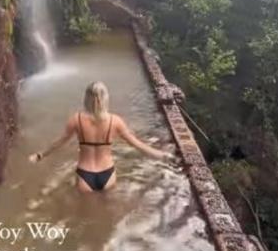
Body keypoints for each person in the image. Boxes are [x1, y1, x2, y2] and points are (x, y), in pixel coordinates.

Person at [29, 81, 176, 193]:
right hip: (107, 174)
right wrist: (162, 155)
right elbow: (137, 145)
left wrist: (40, 155)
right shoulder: (115, 121)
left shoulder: (76, 119)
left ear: (86, 98)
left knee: (87, 219)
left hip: (84, 174)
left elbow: (59, 143)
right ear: (106, 98)